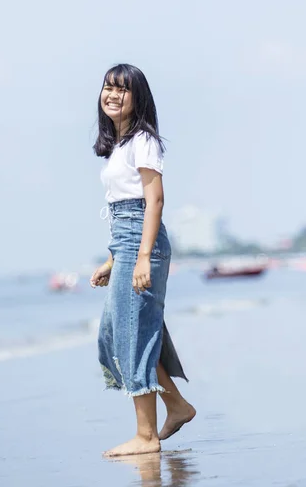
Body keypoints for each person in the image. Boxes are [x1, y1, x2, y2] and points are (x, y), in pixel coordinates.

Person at [90, 64, 196, 457]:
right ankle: (177, 406)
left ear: (138, 97)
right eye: (107, 88)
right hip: (127, 243)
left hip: (142, 244)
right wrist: (113, 260)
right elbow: (124, 212)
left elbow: (154, 201)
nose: (113, 95)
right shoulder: (118, 145)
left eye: (122, 89)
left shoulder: (143, 140)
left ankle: (146, 436)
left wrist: (142, 258)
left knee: (132, 336)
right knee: (117, 335)